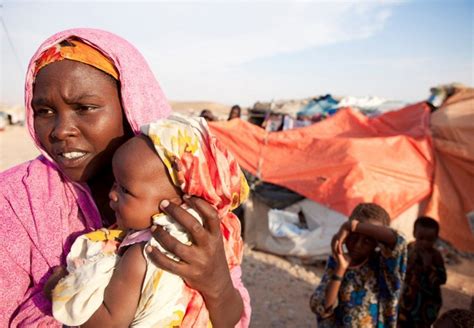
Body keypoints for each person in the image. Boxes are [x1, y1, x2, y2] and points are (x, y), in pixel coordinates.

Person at [0, 28, 250, 327]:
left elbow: (229, 316)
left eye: (85, 108)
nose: (60, 130)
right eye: (44, 111)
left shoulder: (189, 205)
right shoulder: (13, 201)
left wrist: (218, 285)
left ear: (131, 105)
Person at [49, 115, 249, 327]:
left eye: (125, 190)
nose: (112, 194)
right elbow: (233, 315)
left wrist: (60, 287)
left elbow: (109, 323)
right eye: (115, 183)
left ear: (173, 205)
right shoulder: (222, 238)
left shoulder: (142, 256)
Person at [309, 203, 407, 327]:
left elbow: (399, 240)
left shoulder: (383, 264)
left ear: (377, 243)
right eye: (354, 236)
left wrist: (351, 226)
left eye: (367, 240)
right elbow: (321, 307)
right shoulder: (336, 261)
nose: (357, 245)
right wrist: (340, 269)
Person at [398, 216, 447, 327]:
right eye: (421, 238)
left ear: (436, 238)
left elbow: (442, 279)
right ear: (414, 234)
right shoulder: (410, 248)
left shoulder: (436, 256)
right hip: (408, 299)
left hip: (427, 303)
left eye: (429, 240)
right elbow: (401, 269)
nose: (424, 243)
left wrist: (428, 266)